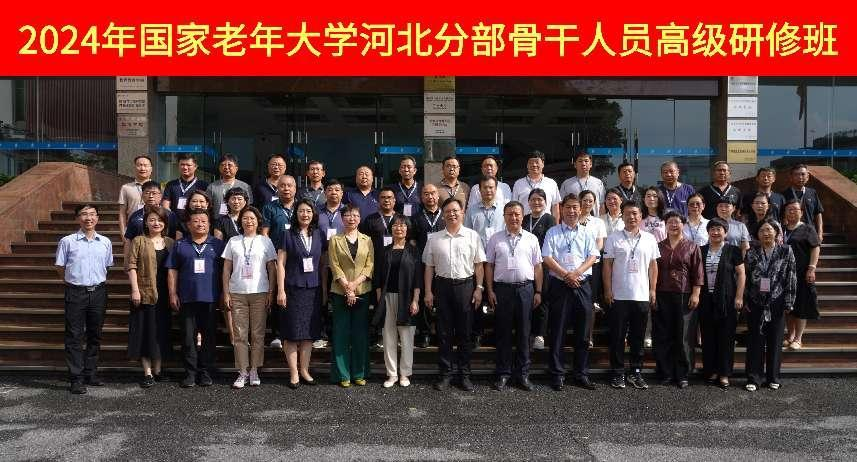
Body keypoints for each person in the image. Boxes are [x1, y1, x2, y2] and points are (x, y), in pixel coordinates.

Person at [423, 198, 486, 392]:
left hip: (465, 287)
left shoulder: (472, 236)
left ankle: (464, 375)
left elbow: (479, 265)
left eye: (455, 210)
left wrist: (479, 288)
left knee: (465, 333)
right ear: (443, 215)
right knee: (444, 333)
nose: (452, 214)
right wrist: (428, 291)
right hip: (442, 287)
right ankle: (445, 374)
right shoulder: (434, 238)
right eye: (448, 211)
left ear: (462, 213)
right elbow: (429, 267)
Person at [541, 195, 600, 391]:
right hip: (560, 285)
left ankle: (581, 373)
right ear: (562, 209)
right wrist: (566, 275)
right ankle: (557, 374)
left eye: (575, 207)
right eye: (568, 207)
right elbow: (547, 257)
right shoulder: (552, 232)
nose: (572, 211)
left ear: (580, 209)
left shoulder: (586, 232)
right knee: (558, 331)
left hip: (582, 284)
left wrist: (576, 273)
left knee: (583, 332)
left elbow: (593, 256)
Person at [55, 204, 114, 394]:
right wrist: (72, 282)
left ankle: (91, 373)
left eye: (92, 214)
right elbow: (60, 267)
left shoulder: (105, 242)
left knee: (95, 334)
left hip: (98, 292)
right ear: (77, 218)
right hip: (76, 293)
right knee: (74, 335)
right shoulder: (67, 241)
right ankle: (76, 378)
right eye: (84, 214)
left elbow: (107, 266)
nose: (89, 218)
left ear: (97, 218)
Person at [485, 201, 543, 391]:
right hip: (502, 290)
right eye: (509, 214)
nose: (513, 217)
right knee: (503, 333)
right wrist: (490, 290)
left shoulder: (531, 239)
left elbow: (538, 266)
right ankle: (503, 373)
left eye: (517, 214)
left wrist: (538, 291)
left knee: (524, 333)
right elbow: (489, 266)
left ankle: (523, 374)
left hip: (526, 290)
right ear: (504, 217)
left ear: (522, 216)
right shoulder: (495, 239)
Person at [603, 200, 660, 390]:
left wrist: (653, 289)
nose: (632, 217)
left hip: (641, 295)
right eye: (627, 213)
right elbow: (607, 265)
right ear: (622, 215)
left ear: (641, 216)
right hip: (619, 295)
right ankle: (618, 372)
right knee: (618, 336)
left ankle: (636, 371)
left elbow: (653, 266)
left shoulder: (649, 239)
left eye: (635, 213)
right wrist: (607, 289)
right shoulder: (613, 238)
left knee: (638, 337)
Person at [166, 209, 225, 388]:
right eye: (196, 221)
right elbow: (172, 270)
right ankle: (190, 373)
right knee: (187, 337)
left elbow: (225, 271)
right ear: (189, 225)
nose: (200, 224)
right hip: (187, 298)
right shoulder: (180, 244)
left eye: (203, 221)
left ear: (209, 224)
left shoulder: (218, 244)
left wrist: (224, 293)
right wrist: (172, 293)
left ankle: (205, 372)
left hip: (211, 297)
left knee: (209, 337)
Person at [222, 206, 277, 389]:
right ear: (241, 221)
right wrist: (226, 292)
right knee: (240, 334)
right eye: (245, 218)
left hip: (260, 292)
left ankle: (254, 369)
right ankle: (242, 371)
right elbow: (226, 269)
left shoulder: (265, 241)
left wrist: (271, 292)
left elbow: (272, 268)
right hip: (237, 292)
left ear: (258, 221)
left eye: (252, 218)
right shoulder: (233, 241)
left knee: (258, 334)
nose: (249, 221)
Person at [277, 199, 328, 389]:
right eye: (301, 211)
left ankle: (305, 370)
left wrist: (323, 289)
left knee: (308, 333)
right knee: (291, 333)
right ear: (296, 214)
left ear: (313, 214)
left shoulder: (319, 234)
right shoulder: (287, 234)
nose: (304, 214)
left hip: (313, 290)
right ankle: (294, 373)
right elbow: (280, 263)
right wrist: (280, 290)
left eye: (308, 211)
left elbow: (323, 265)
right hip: (292, 289)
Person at [743, 219, 797, 392]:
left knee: (775, 340)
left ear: (776, 232)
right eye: (762, 230)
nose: (766, 233)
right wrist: (745, 299)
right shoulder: (751, 253)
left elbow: (791, 276)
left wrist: (789, 301)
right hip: (755, 301)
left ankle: (773, 377)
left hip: (777, 300)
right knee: (755, 340)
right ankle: (754, 378)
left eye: (769, 230)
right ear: (757, 235)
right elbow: (746, 278)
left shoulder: (786, 250)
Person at [653, 211, 703, 388]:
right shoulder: (658, 246)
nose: (674, 225)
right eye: (670, 222)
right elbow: (652, 271)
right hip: (662, 293)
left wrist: (696, 293)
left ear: (683, 224)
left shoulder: (692, 246)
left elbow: (698, 272)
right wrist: (652, 292)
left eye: (677, 222)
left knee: (683, 336)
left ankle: (682, 374)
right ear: (665, 225)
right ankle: (666, 372)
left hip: (684, 294)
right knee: (663, 334)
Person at [127, 205, 175, 388]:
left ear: (165, 223)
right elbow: (131, 266)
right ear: (146, 222)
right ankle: (147, 372)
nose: (156, 223)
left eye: (160, 220)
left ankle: (158, 370)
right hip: (144, 293)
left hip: (165, 294)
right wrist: (135, 290)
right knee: (145, 332)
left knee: (160, 332)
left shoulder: (170, 242)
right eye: (152, 219)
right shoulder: (139, 240)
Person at [328, 205, 374, 387]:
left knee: (360, 334)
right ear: (342, 218)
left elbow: (370, 265)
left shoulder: (367, 240)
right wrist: (347, 287)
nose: (351, 218)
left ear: (360, 218)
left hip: (362, 291)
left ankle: (359, 373)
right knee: (341, 333)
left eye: (355, 215)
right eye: (347, 215)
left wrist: (354, 285)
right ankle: (342, 375)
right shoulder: (335, 239)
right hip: (340, 291)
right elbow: (334, 265)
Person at [373, 214, 422, 388]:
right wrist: (380, 299)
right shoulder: (385, 250)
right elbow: (378, 277)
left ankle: (405, 374)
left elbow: (418, 279)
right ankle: (392, 374)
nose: (398, 228)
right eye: (395, 225)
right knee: (389, 337)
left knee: (407, 338)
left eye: (402, 225)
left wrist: (415, 300)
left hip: (406, 299)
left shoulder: (413, 250)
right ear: (391, 228)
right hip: (387, 297)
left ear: (407, 229)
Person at [698, 217, 745, 389]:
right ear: (708, 232)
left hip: (727, 300)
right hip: (705, 299)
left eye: (719, 229)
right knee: (708, 337)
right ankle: (711, 371)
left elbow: (741, 274)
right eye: (712, 229)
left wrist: (739, 297)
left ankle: (724, 373)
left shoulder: (733, 250)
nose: (715, 232)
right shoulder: (701, 250)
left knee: (726, 338)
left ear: (725, 232)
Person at [463, 176, 505, 348]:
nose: (488, 190)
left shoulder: (504, 209)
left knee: (498, 298)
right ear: (479, 190)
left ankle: (497, 333)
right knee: (477, 298)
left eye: (491, 187)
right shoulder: (472, 210)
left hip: (499, 261)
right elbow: (466, 235)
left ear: (496, 189)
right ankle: (477, 333)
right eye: (485, 188)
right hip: (478, 261)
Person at [260, 174, 297, 349]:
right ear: (278, 188)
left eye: (289, 185)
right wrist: (271, 257)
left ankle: (294, 332)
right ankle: (277, 334)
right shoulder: (269, 207)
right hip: (276, 258)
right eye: (282, 186)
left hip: (297, 259)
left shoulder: (301, 207)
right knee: (277, 294)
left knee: (295, 295)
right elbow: (265, 234)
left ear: (295, 188)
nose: (286, 189)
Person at [782, 199, 820, 350]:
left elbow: (815, 247)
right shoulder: (781, 229)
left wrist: (812, 268)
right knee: (788, 305)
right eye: (789, 209)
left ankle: (798, 338)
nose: (792, 212)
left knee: (801, 304)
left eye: (795, 209)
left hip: (802, 273)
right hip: (784, 274)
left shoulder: (808, 229)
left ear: (801, 213)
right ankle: (790, 335)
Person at [411, 183, 445, 348]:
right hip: (423, 264)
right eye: (426, 194)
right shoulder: (416, 218)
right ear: (421, 197)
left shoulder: (446, 216)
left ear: (438, 196)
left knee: (442, 298)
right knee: (425, 297)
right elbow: (412, 241)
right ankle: (424, 333)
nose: (430, 196)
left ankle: (440, 332)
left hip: (443, 263)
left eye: (433, 193)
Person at [525, 188, 556, 351]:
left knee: (542, 298)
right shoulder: (524, 218)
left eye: (540, 200)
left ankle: (540, 334)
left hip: (543, 265)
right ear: (528, 202)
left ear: (545, 202)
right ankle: (528, 332)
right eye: (533, 199)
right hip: (525, 264)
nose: (536, 202)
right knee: (528, 298)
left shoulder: (550, 219)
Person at [124, 181, 180, 267]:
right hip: (141, 258)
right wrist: (126, 261)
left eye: (154, 193)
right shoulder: (135, 216)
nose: (151, 196)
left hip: (165, 257)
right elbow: (129, 239)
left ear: (160, 196)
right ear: (142, 195)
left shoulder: (170, 215)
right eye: (147, 193)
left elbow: (176, 237)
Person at [578, 190, 607, 347]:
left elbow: (600, 244)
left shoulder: (598, 222)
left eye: (591, 201)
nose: (587, 203)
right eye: (585, 200)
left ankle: (589, 336)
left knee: (590, 301)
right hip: (574, 266)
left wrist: (588, 258)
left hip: (592, 265)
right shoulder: (572, 219)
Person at [782, 164, 824, 243]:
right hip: (792, 234)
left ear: (807, 177)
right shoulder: (784, 195)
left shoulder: (812, 193)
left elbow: (818, 213)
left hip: (810, 233)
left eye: (803, 174)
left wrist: (820, 232)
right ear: (791, 177)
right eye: (796, 174)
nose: (800, 177)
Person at [359, 187, 398, 273]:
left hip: (397, 262)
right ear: (378, 200)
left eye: (389, 197)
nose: (386, 200)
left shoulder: (401, 219)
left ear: (394, 200)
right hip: (376, 262)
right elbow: (364, 243)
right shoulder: (370, 219)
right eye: (383, 197)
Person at [512, 150, 561, 217]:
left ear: (543, 164)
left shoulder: (551, 183)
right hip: (525, 222)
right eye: (531, 163)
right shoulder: (518, 184)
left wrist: (555, 223)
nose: (534, 165)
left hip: (546, 222)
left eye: (537, 162)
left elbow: (555, 208)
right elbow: (514, 207)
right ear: (527, 165)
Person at [118, 155, 153, 239]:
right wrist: (123, 234)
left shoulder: (158, 188)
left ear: (151, 169)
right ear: (135, 168)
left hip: (153, 230)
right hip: (132, 230)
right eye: (139, 165)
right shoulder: (126, 188)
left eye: (145, 165)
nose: (142, 168)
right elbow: (122, 213)